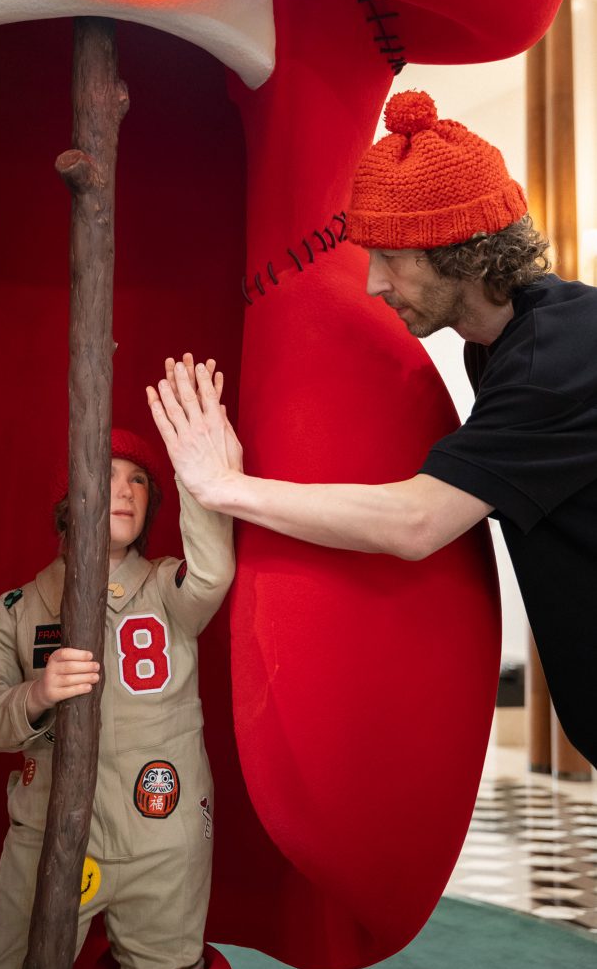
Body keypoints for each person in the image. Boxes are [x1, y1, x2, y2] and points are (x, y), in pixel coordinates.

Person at [147, 90, 597, 769]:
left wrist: (225, 487)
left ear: (464, 254)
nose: (373, 284)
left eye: (393, 257)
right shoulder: (510, 343)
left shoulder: (552, 360)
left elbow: (416, 522)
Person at [0, 425, 236, 969]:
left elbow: (211, 573)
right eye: (108, 476)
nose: (127, 490)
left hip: (162, 831)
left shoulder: (166, 586)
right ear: (67, 505)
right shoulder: (16, 610)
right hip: (46, 835)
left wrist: (202, 480)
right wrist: (36, 695)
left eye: (139, 480)